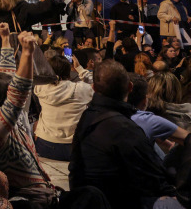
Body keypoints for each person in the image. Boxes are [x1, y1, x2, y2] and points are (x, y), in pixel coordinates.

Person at [69, 60, 182, 209]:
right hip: (116, 201)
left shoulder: (87, 117)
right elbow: (153, 179)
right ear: (130, 87)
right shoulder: (126, 128)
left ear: (94, 88)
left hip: (86, 197)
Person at [0, 24, 58, 206]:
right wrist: (27, 53)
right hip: (28, 198)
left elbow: (6, 75)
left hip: (37, 192)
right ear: (5, 100)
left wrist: (5, 39)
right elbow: (18, 91)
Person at [33, 55, 94, 161]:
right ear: (69, 71)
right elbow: (98, 84)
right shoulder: (81, 89)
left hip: (44, 145)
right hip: (73, 147)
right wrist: (79, 68)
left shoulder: (40, 87)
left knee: (36, 124)